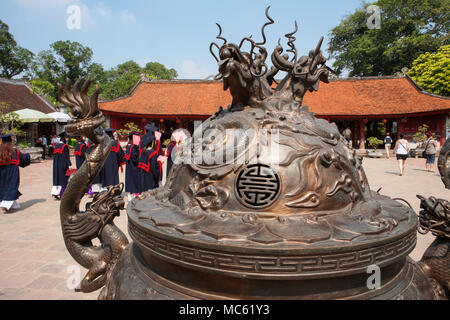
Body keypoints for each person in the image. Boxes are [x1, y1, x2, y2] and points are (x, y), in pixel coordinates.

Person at [0, 134, 31, 213]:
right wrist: (28, 156)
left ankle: (9, 204)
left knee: (3, 187)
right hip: (12, 173)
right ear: (10, 143)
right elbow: (23, 159)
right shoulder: (14, 152)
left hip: (2, 174)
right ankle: (6, 205)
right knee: (11, 186)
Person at [51, 132, 72, 199]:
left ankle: (55, 192)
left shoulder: (56, 146)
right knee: (63, 179)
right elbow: (66, 157)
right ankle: (62, 193)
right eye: (66, 138)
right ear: (64, 139)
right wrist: (69, 164)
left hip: (56, 165)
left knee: (57, 178)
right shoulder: (64, 147)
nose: (67, 139)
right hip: (62, 165)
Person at [124, 132, 141, 200]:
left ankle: (130, 195)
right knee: (133, 181)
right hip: (134, 167)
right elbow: (135, 159)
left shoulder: (129, 146)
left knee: (130, 180)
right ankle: (132, 196)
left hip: (129, 167)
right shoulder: (133, 147)